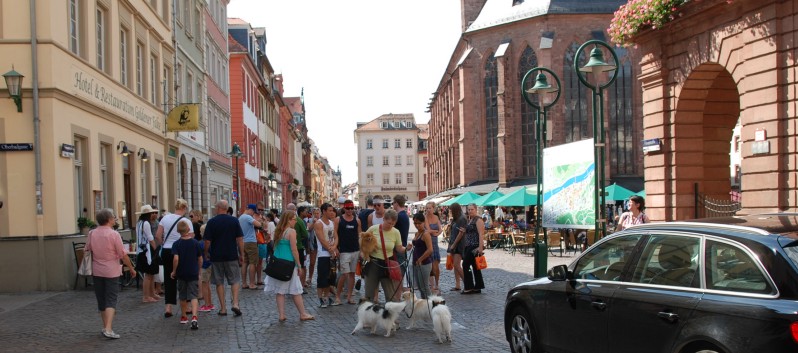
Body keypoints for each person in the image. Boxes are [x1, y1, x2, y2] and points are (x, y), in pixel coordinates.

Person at [84, 208, 137, 339]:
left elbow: (87, 249)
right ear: (108, 219)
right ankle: (108, 328)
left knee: (101, 299)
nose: (115, 219)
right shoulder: (114, 234)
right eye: (113, 217)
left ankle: (106, 326)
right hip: (111, 270)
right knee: (111, 299)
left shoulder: (92, 233)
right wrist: (131, 267)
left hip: (97, 270)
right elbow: (122, 254)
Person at [262, 210, 315, 322]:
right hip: (289, 263)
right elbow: (294, 249)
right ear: (289, 220)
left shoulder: (278, 230)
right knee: (296, 290)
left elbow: (274, 246)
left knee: (280, 291)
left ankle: (281, 314)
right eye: (294, 219)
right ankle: (302, 313)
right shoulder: (291, 231)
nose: (296, 221)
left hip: (277, 262)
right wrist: (299, 265)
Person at [203, 200, 245, 317]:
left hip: (216, 256)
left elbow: (207, 241)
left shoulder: (212, 222)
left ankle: (223, 308)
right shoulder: (234, 220)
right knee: (235, 280)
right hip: (231, 255)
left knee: (219, 282)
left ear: (218, 208)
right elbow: (240, 239)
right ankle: (235, 303)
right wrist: (242, 254)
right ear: (226, 209)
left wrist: (206, 252)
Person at [155, 199, 194, 318]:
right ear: (185, 208)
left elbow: (157, 235)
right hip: (181, 250)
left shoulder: (165, 218)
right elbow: (190, 237)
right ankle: (187, 306)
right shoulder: (186, 221)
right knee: (184, 278)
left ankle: (168, 307)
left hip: (167, 250)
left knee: (168, 278)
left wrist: (163, 244)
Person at [362, 209, 408, 303]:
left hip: (387, 264)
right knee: (369, 293)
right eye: (389, 223)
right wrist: (364, 254)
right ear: (384, 219)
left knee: (390, 294)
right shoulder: (373, 229)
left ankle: (391, 316)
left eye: (393, 224)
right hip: (373, 263)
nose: (390, 225)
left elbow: (399, 248)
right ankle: (368, 315)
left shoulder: (396, 232)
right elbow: (363, 244)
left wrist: (406, 248)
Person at [170, 221, 202, 330]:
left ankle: (184, 316)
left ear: (178, 231)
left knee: (183, 295)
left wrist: (174, 271)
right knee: (193, 295)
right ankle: (194, 317)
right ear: (189, 229)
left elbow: (176, 259)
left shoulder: (176, 244)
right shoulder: (195, 243)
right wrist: (198, 270)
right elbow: (200, 258)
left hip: (181, 273)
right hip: (193, 272)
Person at [334, 199, 361, 305]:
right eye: (348, 208)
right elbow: (335, 234)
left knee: (352, 274)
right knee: (344, 274)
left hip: (355, 250)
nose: (350, 210)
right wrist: (336, 247)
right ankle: (337, 296)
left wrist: (362, 250)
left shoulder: (357, 220)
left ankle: (349, 296)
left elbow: (360, 236)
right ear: (344, 208)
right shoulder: (338, 220)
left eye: (351, 208)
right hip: (344, 250)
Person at [313, 203, 338, 307]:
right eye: (330, 210)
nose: (332, 212)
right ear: (324, 211)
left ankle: (327, 297)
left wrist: (334, 247)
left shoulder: (331, 223)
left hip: (332, 254)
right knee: (322, 277)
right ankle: (320, 298)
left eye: (332, 210)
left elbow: (336, 237)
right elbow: (322, 239)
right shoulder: (318, 223)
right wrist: (331, 250)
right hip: (323, 254)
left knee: (330, 278)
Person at [135, 205, 160, 303]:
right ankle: (146, 296)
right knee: (148, 275)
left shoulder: (139, 223)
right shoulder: (146, 223)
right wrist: (155, 248)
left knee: (151, 273)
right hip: (146, 251)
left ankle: (152, 293)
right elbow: (150, 238)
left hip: (142, 250)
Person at [462, 203, 485, 294]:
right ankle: (478, 286)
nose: (470, 211)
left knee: (466, 265)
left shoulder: (478, 220)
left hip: (474, 246)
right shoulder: (470, 220)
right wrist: (464, 231)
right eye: (469, 209)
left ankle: (469, 287)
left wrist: (480, 247)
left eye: (472, 209)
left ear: (476, 210)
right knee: (475, 267)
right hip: (468, 245)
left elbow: (480, 234)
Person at [239, 204, 263, 290]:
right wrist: (258, 220)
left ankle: (244, 283)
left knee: (245, 263)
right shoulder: (248, 217)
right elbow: (259, 225)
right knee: (253, 263)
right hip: (251, 242)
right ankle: (252, 284)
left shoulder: (240, 217)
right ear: (251, 210)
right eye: (253, 212)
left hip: (243, 242)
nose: (253, 214)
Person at [410, 212, 433, 299]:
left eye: (419, 223)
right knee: (420, 287)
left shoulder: (426, 234)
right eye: (415, 223)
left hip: (424, 263)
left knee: (425, 287)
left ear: (424, 222)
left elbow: (430, 249)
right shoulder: (417, 233)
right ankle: (425, 305)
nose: (417, 225)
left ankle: (431, 305)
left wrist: (421, 259)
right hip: (416, 262)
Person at [392, 195, 411, 300]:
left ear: (396, 203)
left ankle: (399, 298)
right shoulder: (404, 215)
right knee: (399, 275)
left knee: (398, 275)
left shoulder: (399, 216)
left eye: (393, 203)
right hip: (401, 248)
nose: (392, 205)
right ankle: (400, 296)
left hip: (399, 248)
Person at [446, 203, 467, 292]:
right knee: (455, 265)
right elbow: (449, 232)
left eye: (451, 211)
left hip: (459, 244)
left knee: (457, 265)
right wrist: (450, 224)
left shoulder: (462, 219)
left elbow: (461, 233)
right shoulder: (455, 219)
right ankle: (457, 285)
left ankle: (467, 284)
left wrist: (454, 244)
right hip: (453, 242)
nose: (450, 212)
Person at [424, 201, 442, 294]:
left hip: (435, 243)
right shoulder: (425, 217)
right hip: (428, 243)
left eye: (430, 208)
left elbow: (441, 229)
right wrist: (435, 231)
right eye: (427, 208)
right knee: (430, 266)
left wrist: (436, 232)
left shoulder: (436, 217)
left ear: (433, 208)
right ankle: (431, 286)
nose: (428, 210)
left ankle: (437, 285)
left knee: (436, 266)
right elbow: (428, 229)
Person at [198, 224, 215, 313]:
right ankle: (210, 303)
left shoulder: (201, 243)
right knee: (208, 286)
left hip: (204, 266)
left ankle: (206, 304)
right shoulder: (212, 242)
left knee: (204, 285)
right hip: (211, 264)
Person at [304, 207, 320, 287]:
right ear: (312, 214)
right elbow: (309, 229)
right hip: (312, 243)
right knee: (310, 262)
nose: (316, 215)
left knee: (316, 263)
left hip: (319, 243)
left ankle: (312, 278)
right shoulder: (309, 221)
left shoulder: (321, 221)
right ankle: (308, 278)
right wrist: (313, 222)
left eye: (318, 213)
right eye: (315, 213)